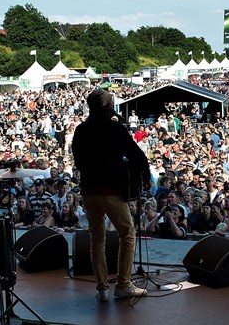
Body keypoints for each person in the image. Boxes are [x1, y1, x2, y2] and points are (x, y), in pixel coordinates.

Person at [72, 89, 152, 302]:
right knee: (128, 232)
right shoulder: (114, 128)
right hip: (110, 190)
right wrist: (143, 174)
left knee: (97, 237)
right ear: (106, 107)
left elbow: (78, 162)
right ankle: (124, 284)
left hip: (89, 190)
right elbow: (135, 153)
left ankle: (102, 289)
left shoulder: (81, 130)